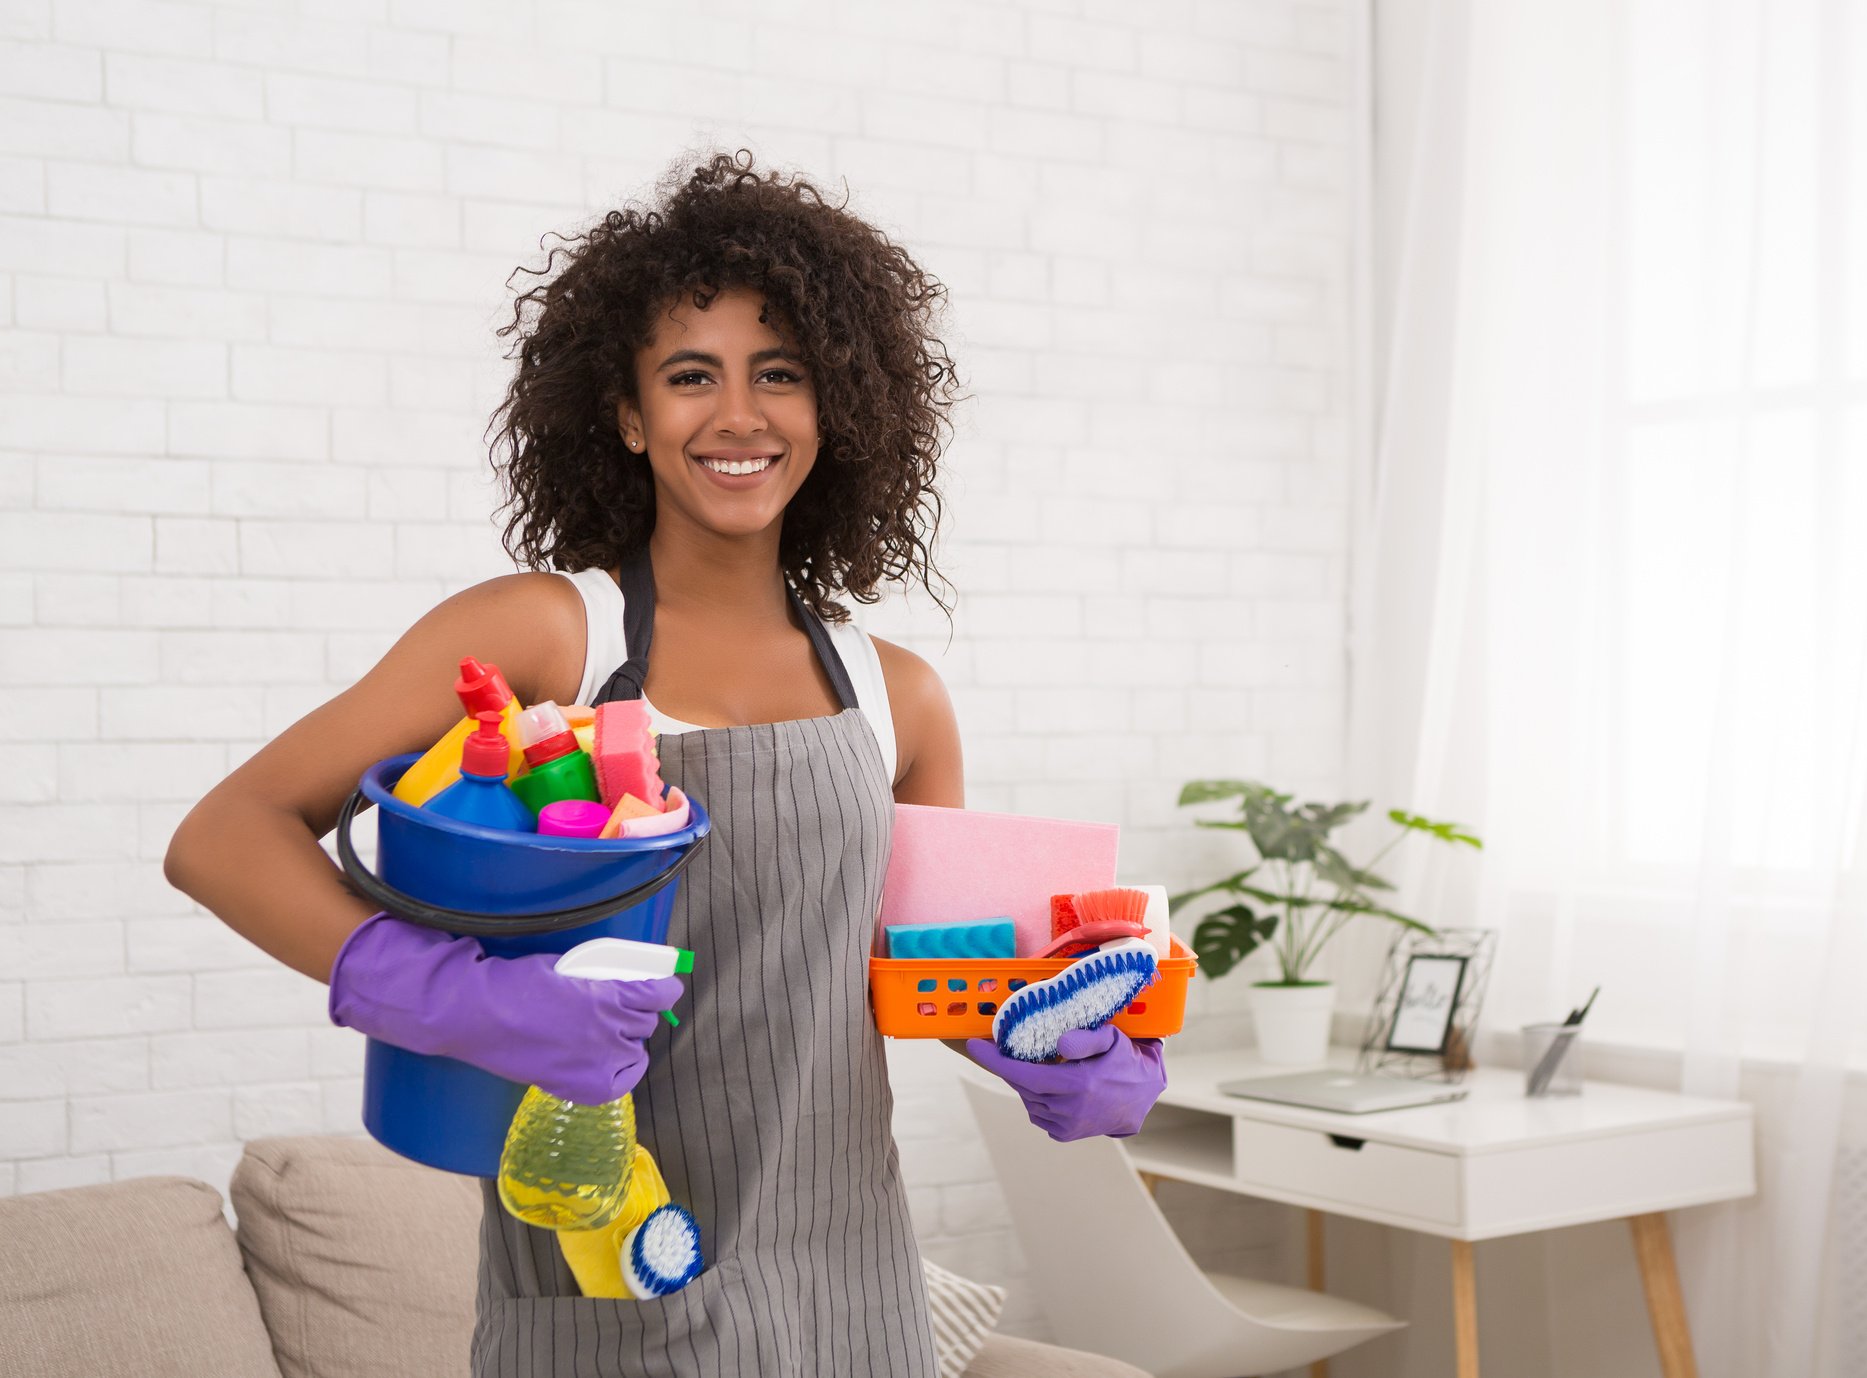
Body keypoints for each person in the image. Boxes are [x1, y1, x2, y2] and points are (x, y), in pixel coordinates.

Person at [163, 149, 1166, 1378]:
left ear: (833, 406)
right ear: (630, 416)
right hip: (605, 1295)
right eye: (692, 377)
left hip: (854, 1292)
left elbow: (918, 979)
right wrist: (446, 994)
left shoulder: (897, 697)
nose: (738, 415)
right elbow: (224, 835)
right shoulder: (547, 637)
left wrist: (1052, 1045)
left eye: (779, 376)